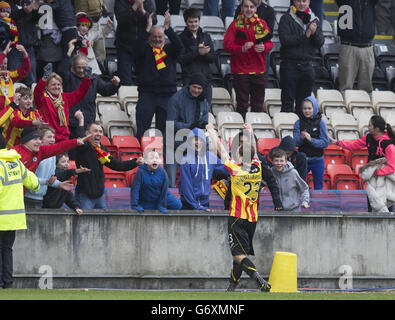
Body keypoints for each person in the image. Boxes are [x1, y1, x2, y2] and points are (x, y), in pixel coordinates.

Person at [206, 122, 272, 292]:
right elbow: (255, 152)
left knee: (238, 255)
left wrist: (211, 131)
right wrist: (250, 132)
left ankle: (258, 279)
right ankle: (231, 287)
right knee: (240, 254)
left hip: (237, 217)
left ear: (241, 157)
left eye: (238, 154)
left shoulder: (235, 169)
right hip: (252, 218)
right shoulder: (257, 167)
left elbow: (220, 149)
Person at [134, 11, 183, 142]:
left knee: (164, 130)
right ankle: (140, 156)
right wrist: (148, 27)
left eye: (160, 37)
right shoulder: (145, 49)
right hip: (147, 94)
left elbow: (180, 46)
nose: (157, 39)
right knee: (142, 129)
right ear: (150, 37)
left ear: (164, 38)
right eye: (154, 36)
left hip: (167, 95)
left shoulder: (169, 50)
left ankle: (162, 157)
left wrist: (168, 28)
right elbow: (137, 47)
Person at [330, 115, 395, 211]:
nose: (368, 127)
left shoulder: (389, 145)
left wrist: (377, 172)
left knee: (384, 205)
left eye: (370, 125)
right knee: (371, 203)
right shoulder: (368, 137)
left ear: (376, 128)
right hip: (372, 178)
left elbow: (392, 167)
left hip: (385, 180)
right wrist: (337, 142)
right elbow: (354, 145)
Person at [0, 131, 39, 289]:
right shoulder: (16, 162)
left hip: (1, 215)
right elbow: (33, 183)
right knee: (7, 249)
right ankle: (8, 282)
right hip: (15, 217)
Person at [74, 122, 143, 209]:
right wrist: (80, 122)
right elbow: (80, 142)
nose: (98, 134)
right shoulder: (84, 147)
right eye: (95, 131)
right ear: (87, 133)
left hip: (99, 196)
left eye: (100, 131)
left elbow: (116, 165)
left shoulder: (102, 150)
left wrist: (135, 162)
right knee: (83, 222)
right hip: (84, 196)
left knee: (104, 222)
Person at [223, 0, 273, 120]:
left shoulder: (261, 24)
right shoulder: (234, 25)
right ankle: (242, 134)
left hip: (259, 71)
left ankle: (255, 132)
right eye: (246, 6)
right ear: (241, 8)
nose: (249, 9)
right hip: (241, 70)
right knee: (242, 105)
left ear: (256, 9)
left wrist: (264, 47)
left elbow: (270, 44)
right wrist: (241, 48)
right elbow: (226, 45)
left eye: (251, 7)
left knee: (258, 105)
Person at [62, 53, 120, 144]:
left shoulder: (94, 79)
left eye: (83, 67)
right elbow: (62, 70)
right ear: (73, 67)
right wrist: (68, 53)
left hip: (89, 122)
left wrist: (114, 85)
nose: (81, 70)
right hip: (71, 123)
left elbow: (106, 90)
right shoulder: (69, 78)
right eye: (78, 67)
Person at [219, 129, 283, 211]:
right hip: (232, 205)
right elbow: (218, 173)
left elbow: (271, 181)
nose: (243, 145)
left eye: (246, 142)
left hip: (251, 207)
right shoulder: (232, 158)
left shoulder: (259, 160)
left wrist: (277, 201)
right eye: (241, 142)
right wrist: (228, 175)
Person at [278, 0, 324, 115]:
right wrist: (305, 35)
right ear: (293, 2)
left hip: (307, 66)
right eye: (298, 1)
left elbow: (320, 43)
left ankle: (301, 131)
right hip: (290, 65)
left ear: (309, 2)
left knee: (304, 105)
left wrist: (314, 33)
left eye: (304, 1)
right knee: (287, 103)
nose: (301, 4)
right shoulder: (286, 18)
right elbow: (285, 41)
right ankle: (286, 129)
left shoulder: (314, 19)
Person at [166, 72, 209, 187]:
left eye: (199, 88)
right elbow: (171, 124)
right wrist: (189, 126)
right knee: (171, 183)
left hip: (194, 143)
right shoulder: (176, 99)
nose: (196, 90)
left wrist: (205, 127)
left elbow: (205, 122)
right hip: (174, 144)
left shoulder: (204, 101)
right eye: (194, 87)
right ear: (189, 85)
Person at [33, 63, 92, 142]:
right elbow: (37, 92)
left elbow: (80, 93)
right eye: (53, 84)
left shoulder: (65, 97)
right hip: (48, 139)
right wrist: (45, 78)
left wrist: (87, 79)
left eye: (58, 84)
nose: (56, 87)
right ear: (46, 87)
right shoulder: (43, 99)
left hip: (64, 139)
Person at [23, 126, 76, 209]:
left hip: (40, 199)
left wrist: (59, 184)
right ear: (40, 139)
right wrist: (46, 181)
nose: (52, 140)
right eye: (49, 137)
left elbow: (50, 179)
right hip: (26, 197)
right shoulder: (32, 154)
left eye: (53, 137)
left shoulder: (53, 156)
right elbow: (26, 178)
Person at [178, 127, 227, 211]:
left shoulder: (210, 157)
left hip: (205, 203)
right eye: (195, 139)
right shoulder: (186, 161)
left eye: (201, 140)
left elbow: (226, 169)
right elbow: (186, 187)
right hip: (189, 204)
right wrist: (197, 207)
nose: (198, 142)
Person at [336, 0, 377, 94]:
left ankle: (366, 108)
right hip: (348, 45)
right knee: (345, 88)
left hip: (367, 47)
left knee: (367, 90)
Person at [11, 126, 88, 174]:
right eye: (35, 139)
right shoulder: (13, 153)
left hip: (31, 195)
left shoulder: (41, 151)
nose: (38, 142)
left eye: (39, 139)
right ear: (26, 141)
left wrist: (75, 142)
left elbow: (59, 147)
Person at [114, 0, 157, 86]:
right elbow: (120, 18)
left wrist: (143, 11)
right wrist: (134, 6)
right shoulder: (120, 1)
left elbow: (154, 20)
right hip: (124, 46)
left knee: (144, 79)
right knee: (125, 80)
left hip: (143, 46)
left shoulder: (148, 1)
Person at [178, 8, 216, 104]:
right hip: (189, 80)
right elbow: (181, 59)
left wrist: (205, 53)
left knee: (205, 110)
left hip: (205, 80)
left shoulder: (206, 36)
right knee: (188, 111)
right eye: (191, 22)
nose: (194, 24)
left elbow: (213, 58)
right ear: (186, 22)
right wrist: (197, 52)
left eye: (196, 21)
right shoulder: (180, 38)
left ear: (199, 21)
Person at [293, 96, 329, 190]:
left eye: (309, 108)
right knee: (300, 186)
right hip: (303, 160)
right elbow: (296, 142)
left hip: (318, 160)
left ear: (315, 108)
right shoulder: (298, 123)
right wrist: (302, 138)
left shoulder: (321, 123)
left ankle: (317, 204)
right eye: (305, 108)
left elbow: (325, 142)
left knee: (318, 187)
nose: (307, 111)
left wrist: (311, 140)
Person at [9, 0, 40, 87]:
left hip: (29, 48)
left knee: (31, 79)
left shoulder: (32, 6)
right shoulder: (10, 4)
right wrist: (24, 11)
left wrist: (35, 10)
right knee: (14, 78)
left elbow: (38, 19)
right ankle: (12, 100)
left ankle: (31, 100)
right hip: (15, 48)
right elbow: (9, 17)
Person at [0, 41, 31, 107]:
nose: (3, 65)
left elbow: (25, 70)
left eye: (5, 63)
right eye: (1, 63)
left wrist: (25, 54)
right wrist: (5, 52)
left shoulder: (9, 75)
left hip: (11, 112)